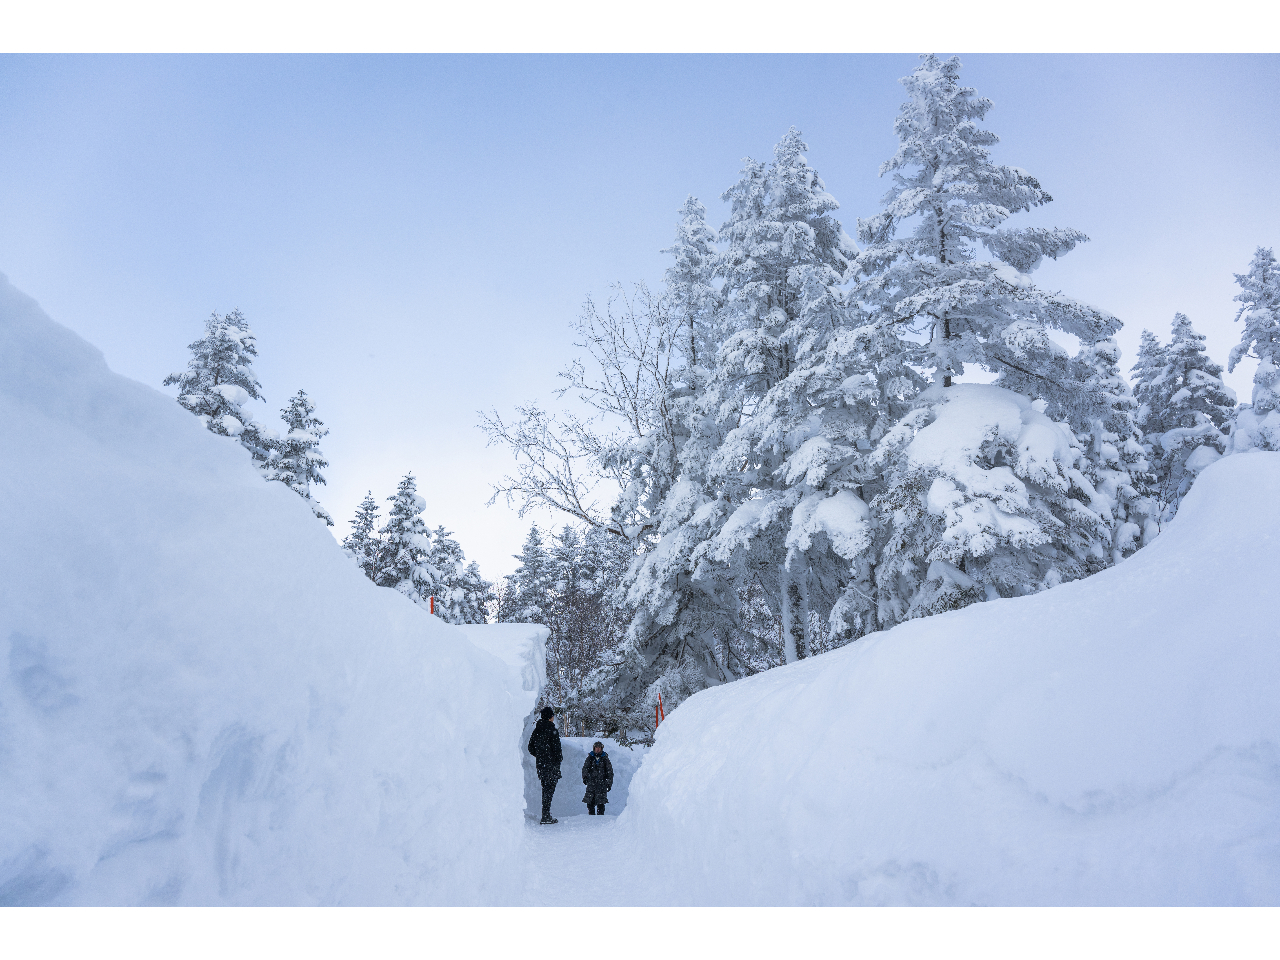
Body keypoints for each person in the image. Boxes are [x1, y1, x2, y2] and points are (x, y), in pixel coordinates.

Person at [527, 705, 563, 824]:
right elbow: (557, 750)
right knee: (549, 789)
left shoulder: (537, 730)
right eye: (552, 715)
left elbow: (530, 747)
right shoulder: (552, 730)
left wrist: (540, 756)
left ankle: (546, 814)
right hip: (551, 765)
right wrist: (557, 760)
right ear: (550, 717)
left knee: (545, 788)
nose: (553, 717)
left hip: (541, 765)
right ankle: (546, 816)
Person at [581, 740, 614, 815]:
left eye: (599, 747)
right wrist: (585, 778)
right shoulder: (590, 758)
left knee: (601, 803)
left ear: (601, 748)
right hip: (591, 784)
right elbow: (585, 769)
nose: (598, 749)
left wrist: (608, 783)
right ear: (594, 748)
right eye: (596, 747)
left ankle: (600, 819)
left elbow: (610, 772)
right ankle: (591, 818)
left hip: (602, 784)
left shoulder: (605, 759)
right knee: (590, 803)